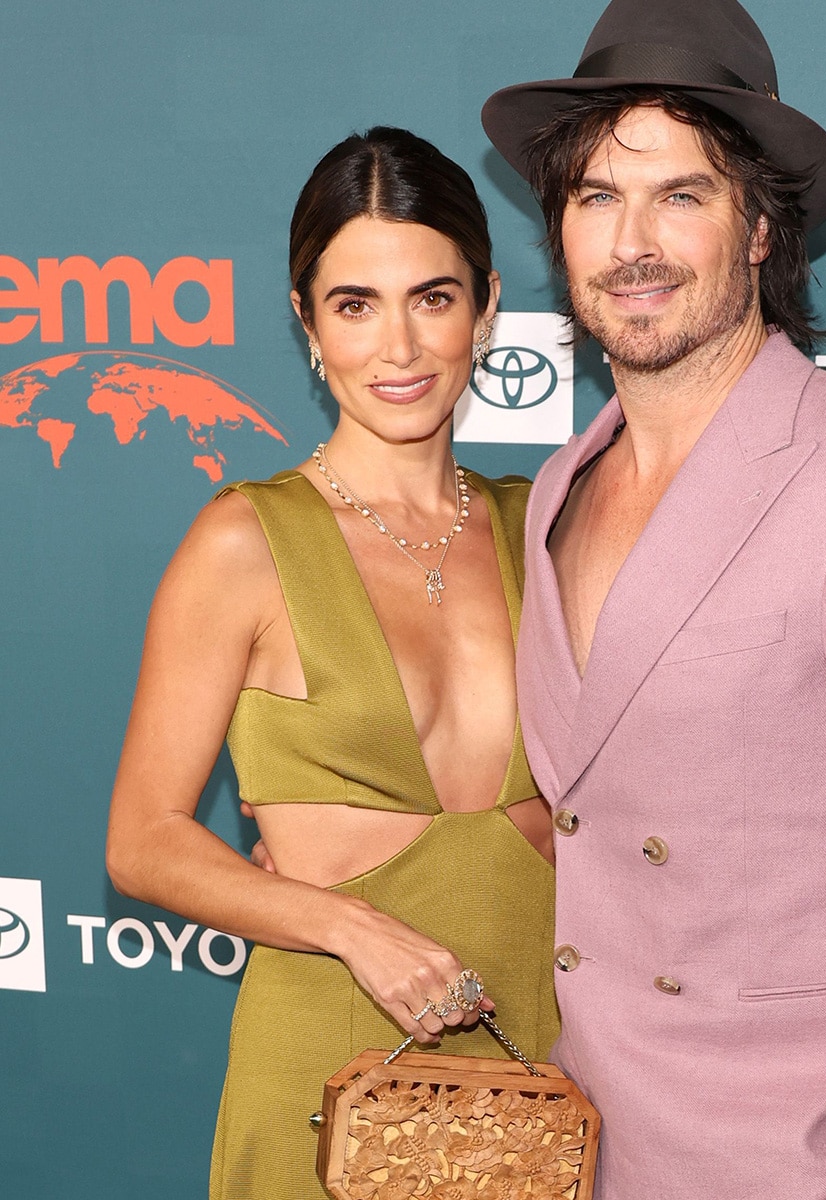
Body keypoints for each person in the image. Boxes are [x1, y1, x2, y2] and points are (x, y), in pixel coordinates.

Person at [481, 2, 826, 1198]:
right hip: (603, 1151)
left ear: (761, 228)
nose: (633, 242)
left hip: (806, 1164)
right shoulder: (558, 491)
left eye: (680, 195)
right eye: (597, 197)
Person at [106, 126, 559, 1200]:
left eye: (433, 298)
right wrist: (351, 927)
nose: (398, 347)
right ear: (308, 323)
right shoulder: (245, 542)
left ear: (486, 307)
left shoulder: (545, 527)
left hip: (538, 1062)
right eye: (355, 305)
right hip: (328, 1059)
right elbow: (143, 840)